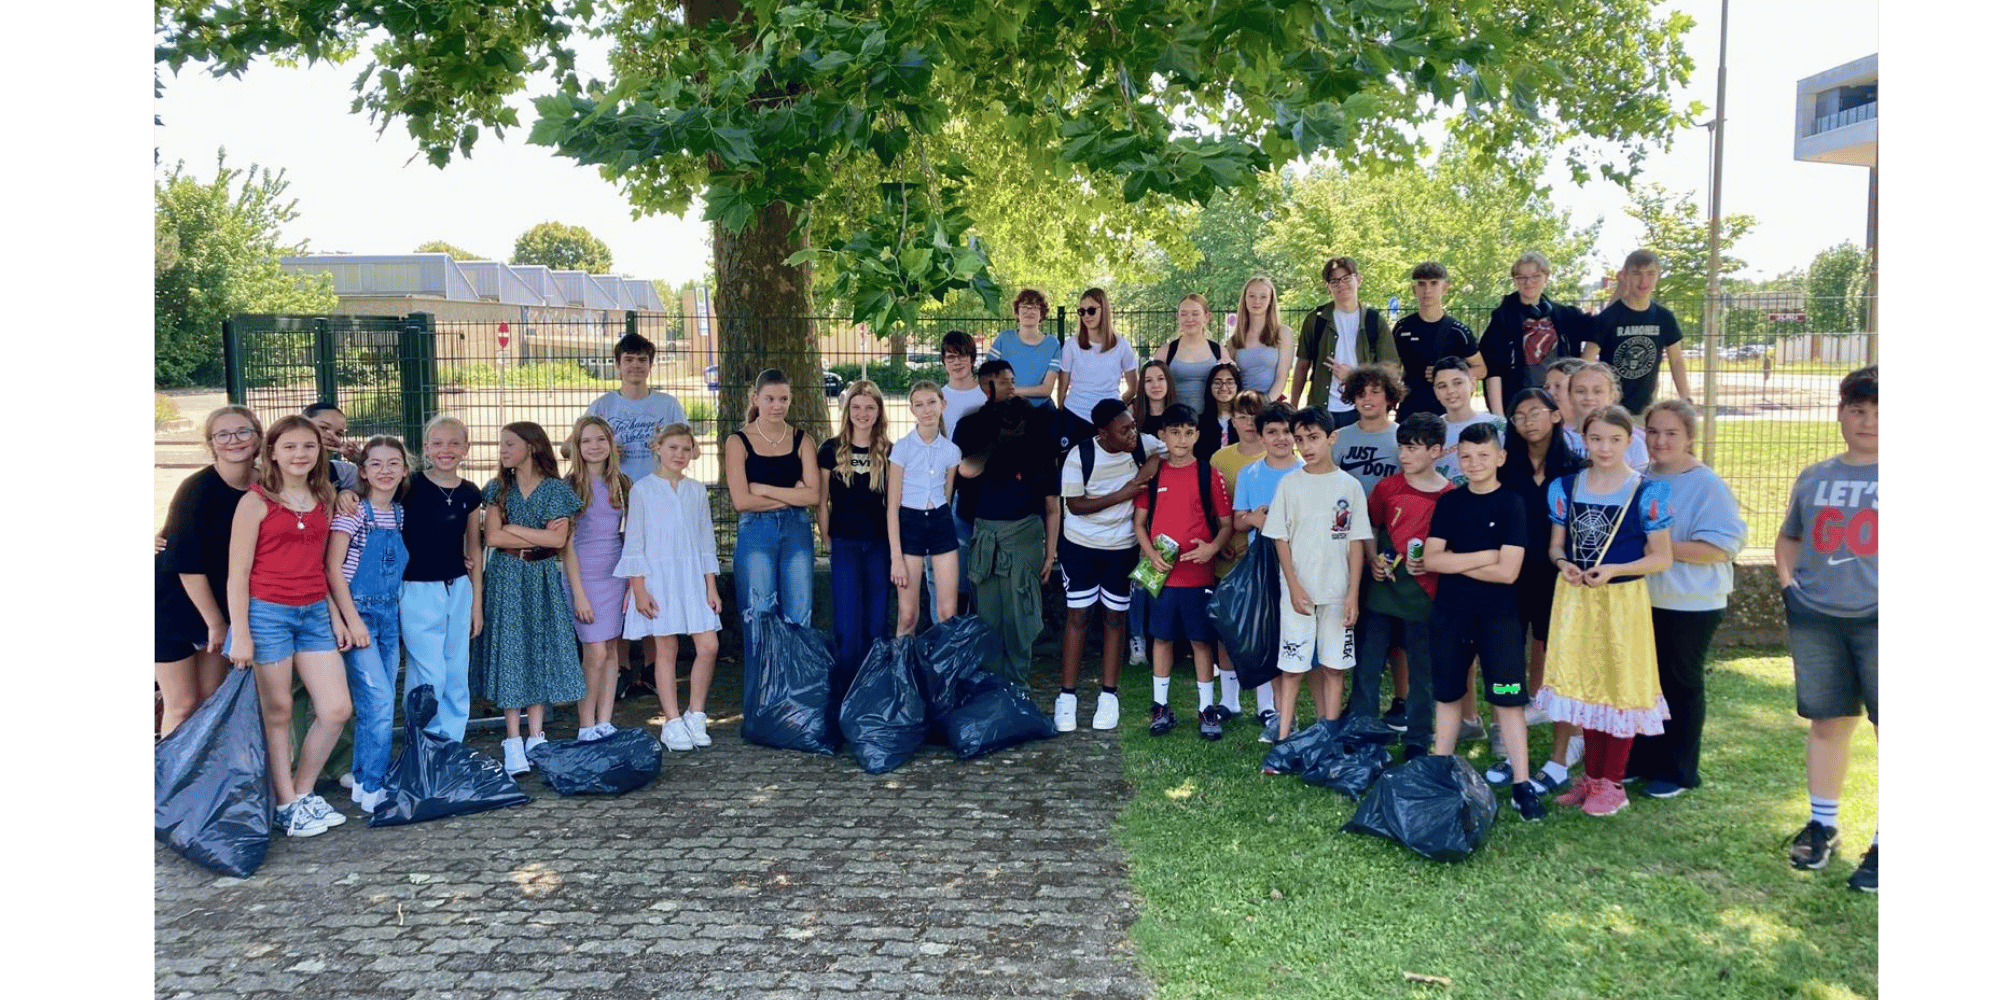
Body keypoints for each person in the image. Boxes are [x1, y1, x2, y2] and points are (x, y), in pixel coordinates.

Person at [1535, 405, 1674, 818]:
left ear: (1628, 441)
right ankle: (1591, 778)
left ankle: (1613, 781)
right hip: (1576, 599)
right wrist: (1564, 565)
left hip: (1622, 601)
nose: (1605, 447)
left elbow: (1661, 557)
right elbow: (1556, 546)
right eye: (1596, 439)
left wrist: (1616, 569)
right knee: (1586, 685)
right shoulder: (1566, 485)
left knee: (1620, 685)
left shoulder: (1647, 491)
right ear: (1584, 438)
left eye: (1615, 439)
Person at [224, 414, 353, 838]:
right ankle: (286, 803)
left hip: (313, 612)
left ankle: (302, 793)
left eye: (309, 447)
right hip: (267, 615)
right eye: (291, 447)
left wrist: (335, 615)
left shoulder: (325, 497)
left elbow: (322, 566)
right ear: (273, 453)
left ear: (319, 452)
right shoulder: (255, 502)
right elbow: (237, 574)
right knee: (277, 712)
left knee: (335, 709)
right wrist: (240, 632)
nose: (300, 454)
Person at [1776, 365, 1878, 891]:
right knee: (1828, 723)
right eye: (1857, 411)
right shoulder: (1815, 476)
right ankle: (1823, 823)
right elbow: (1789, 536)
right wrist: (1791, 585)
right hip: (1819, 616)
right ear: (1840, 413)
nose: (1868, 422)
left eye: (1880, 414)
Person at [1419, 422, 1546, 820]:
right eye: (1467, 456)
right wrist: (1487, 555)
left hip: (1499, 618)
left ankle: (1522, 783)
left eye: (1483, 456)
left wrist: (1460, 563)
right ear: (1458, 459)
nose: (1474, 463)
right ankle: (1440, 773)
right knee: (1448, 695)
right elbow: (1432, 560)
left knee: (1508, 701)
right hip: (1451, 614)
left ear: (1501, 458)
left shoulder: (1512, 503)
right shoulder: (1450, 502)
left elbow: (1509, 573)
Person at [1628, 399, 1747, 799]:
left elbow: (1720, 548)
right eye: (1654, 432)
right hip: (1644, 599)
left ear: (1690, 438)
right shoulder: (1638, 478)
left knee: (1680, 684)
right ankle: (1643, 759)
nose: (1660, 441)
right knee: (1646, 683)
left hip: (1690, 602)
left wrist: (1659, 547)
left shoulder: (1706, 484)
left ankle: (1679, 771)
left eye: (1672, 433)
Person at [478, 421, 587, 776]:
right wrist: (536, 534)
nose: (503, 450)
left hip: (541, 576)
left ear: (532, 447)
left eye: (510, 444)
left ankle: (536, 735)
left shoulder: (556, 490)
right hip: (506, 577)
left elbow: (557, 543)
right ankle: (512, 739)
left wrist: (514, 530)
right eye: (502, 444)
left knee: (538, 649)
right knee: (512, 652)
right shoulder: (497, 488)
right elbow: (493, 537)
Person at [1054, 398, 1161, 732]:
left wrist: (1143, 474)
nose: (1132, 434)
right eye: (1124, 429)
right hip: (1080, 547)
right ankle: (1067, 697)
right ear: (1103, 433)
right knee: (1078, 616)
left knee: (1115, 618)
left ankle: (1108, 696)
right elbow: (1075, 505)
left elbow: (1162, 453)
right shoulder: (1080, 455)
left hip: (1122, 548)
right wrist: (1124, 492)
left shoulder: (1142, 444)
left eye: (1132, 425)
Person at [1264, 406, 1369, 743]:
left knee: (1334, 667)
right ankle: (1283, 736)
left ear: (1331, 438)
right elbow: (1280, 539)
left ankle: (1329, 737)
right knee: (1293, 668)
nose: (1306, 446)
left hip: (1337, 594)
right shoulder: (1289, 484)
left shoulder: (1350, 486)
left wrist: (1352, 594)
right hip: (1299, 594)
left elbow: (1355, 543)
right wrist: (1293, 588)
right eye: (1299, 440)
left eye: (1313, 438)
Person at [617, 423, 724, 752]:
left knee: (708, 646)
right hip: (658, 579)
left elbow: (706, 541)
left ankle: (696, 713)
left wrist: (711, 585)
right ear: (658, 449)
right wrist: (638, 587)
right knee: (666, 649)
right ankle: (673, 721)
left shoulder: (695, 491)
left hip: (692, 578)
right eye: (673, 447)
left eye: (686, 449)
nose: (680, 454)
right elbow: (634, 542)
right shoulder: (643, 490)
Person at [156, 406, 261, 739]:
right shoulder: (196, 488)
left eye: (243, 431)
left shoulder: (267, 485)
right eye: (223, 434)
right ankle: (170, 783)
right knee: (183, 703)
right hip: (173, 603)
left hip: (224, 600)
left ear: (258, 437)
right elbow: (187, 564)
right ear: (211, 443)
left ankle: (203, 780)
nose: (234, 441)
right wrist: (216, 623)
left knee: (212, 697)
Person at [1133, 404, 1233, 739]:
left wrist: (1212, 548)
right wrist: (1150, 554)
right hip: (1161, 574)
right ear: (1162, 435)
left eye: (1189, 432)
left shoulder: (1209, 473)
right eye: (1174, 432)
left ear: (1198, 435)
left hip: (1198, 575)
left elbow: (1226, 523)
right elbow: (1139, 523)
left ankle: (1207, 709)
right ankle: (1160, 706)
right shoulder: (1154, 474)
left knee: (1201, 641)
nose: (1182, 438)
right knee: (1161, 638)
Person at [324, 435, 412, 815]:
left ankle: (362, 781)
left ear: (405, 470)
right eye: (375, 463)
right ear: (362, 470)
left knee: (376, 703)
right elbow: (332, 568)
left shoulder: (401, 514)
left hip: (389, 616)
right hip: (358, 615)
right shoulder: (352, 512)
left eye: (394, 463)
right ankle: (377, 787)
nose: (385, 471)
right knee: (377, 702)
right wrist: (352, 620)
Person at [1357, 413, 1452, 761]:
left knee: (1422, 670)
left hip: (1425, 595)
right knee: (1368, 664)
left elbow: (1452, 546)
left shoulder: (1450, 495)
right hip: (1382, 590)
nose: (1404, 455)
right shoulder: (1386, 488)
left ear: (1436, 451)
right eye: (1402, 447)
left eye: (1413, 448)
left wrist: (1432, 562)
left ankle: (1418, 738)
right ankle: (1364, 730)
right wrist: (1372, 560)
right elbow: (1369, 528)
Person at [957, 385, 1061, 684]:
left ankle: (1017, 682)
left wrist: (1050, 551)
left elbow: (1053, 509)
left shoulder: (1041, 457)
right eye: (1005, 422)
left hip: (1024, 539)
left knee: (1020, 614)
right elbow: (965, 470)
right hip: (986, 539)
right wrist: (995, 443)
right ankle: (992, 682)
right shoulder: (987, 453)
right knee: (989, 615)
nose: (1012, 428)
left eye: (1016, 422)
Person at [1498, 388, 1584, 749]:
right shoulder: (1505, 469)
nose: (1527, 422)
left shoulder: (1575, 470)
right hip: (1511, 577)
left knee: (1560, 654)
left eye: (1535, 413)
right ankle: (1504, 724)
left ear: (1554, 415)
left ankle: (1572, 734)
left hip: (1559, 576)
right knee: (1507, 654)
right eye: (1519, 416)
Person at [725, 369, 821, 665]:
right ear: (756, 398)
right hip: (755, 534)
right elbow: (741, 501)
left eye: (783, 399)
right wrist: (792, 495)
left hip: (797, 533)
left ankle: (796, 700)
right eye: (769, 399)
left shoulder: (803, 440)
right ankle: (763, 700)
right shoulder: (738, 442)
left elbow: (814, 496)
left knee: (799, 615)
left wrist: (764, 490)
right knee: (758, 614)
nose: (777, 405)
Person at [399, 414, 485, 742]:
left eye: (453, 443)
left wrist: (476, 603)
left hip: (458, 587)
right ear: (425, 447)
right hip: (418, 588)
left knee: (455, 669)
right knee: (428, 671)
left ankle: (451, 741)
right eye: (437, 443)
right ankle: (423, 740)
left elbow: (473, 550)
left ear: (466, 448)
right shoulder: (410, 486)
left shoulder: (470, 493)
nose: (445, 450)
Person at [558, 415, 631, 741]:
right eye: (586, 441)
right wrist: (579, 594)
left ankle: (605, 720)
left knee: (612, 650)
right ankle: (586, 725)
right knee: (595, 652)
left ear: (611, 444)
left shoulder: (623, 483)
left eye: (600, 439)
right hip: (582, 576)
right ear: (577, 446)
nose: (594, 446)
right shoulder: (569, 487)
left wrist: (632, 584)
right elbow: (566, 544)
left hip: (614, 575)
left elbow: (630, 538)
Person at [817, 380, 894, 690]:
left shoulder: (889, 451)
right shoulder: (830, 449)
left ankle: (874, 688)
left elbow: (894, 502)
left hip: (879, 544)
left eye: (870, 407)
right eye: (857, 407)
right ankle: (846, 687)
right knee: (847, 623)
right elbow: (821, 501)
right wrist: (826, 537)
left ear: (879, 412)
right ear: (847, 410)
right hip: (845, 542)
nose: (862, 413)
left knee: (876, 622)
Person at [1230, 402, 1300, 735]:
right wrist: (1255, 519)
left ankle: (1297, 708)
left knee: (1298, 639)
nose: (1281, 438)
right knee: (1271, 637)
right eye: (1272, 432)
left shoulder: (1304, 471)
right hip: (1264, 566)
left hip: (1302, 567)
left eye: (1287, 431)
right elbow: (1238, 520)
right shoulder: (1250, 473)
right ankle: (1274, 709)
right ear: (1260, 436)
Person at [889, 381, 963, 635]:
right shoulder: (901, 449)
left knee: (947, 614)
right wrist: (896, 557)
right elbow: (892, 507)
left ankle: (943, 673)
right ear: (911, 410)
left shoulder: (952, 451)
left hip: (941, 524)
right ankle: (901, 672)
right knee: (908, 616)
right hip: (910, 524)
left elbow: (947, 494)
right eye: (919, 405)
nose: (926, 410)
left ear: (943, 404)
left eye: (931, 402)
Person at [1479, 252, 1588, 414]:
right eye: (1521, 277)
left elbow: (1600, 327)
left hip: (1558, 399)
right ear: (1515, 280)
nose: (1528, 282)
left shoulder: (1565, 315)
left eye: (1535, 276)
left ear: (1546, 277)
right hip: (1519, 398)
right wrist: (1498, 415)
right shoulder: (1503, 318)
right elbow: (1493, 367)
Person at [1583, 249, 1691, 412]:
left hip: (1646, 409)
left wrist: (1686, 399)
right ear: (1625, 275)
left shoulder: (1664, 317)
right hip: (1610, 410)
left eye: (1650, 274)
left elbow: (1676, 360)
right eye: (1636, 274)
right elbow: (1586, 362)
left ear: (1658, 276)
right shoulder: (1608, 317)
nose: (1643, 281)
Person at [1292, 256, 1388, 419]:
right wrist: (1294, 405)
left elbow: (1389, 369)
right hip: (1322, 411)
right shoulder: (1316, 319)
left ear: (1358, 280)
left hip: (1361, 410)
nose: (1341, 284)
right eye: (1334, 281)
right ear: (1328, 287)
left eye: (1346, 278)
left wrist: (1355, 376)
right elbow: (1302, 365)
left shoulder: (1374, 320)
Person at [586, 331, 687, 482]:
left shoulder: (669, 405)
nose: (636, 365)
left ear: (650, 365)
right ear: (617, 364)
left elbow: (695, 451)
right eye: (629, 359)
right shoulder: (601, 406)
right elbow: (567, 449)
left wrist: (668, 446)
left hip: (659, 489)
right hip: (615, 490)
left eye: (642, 360)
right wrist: (603, 450)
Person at [1387, 261, 1483, 417]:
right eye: (1421, 284)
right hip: (1410, 409)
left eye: (1434, 283)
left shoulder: (1458, 331)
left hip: (1448, 411)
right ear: (1414, 290)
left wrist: (1449, 374)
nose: (1427, 290)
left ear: (1444, 288)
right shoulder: (1402, 328)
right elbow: (1391, 368)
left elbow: (1481, 368)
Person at [1058, 287, 1140, 449]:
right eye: (1082, 311)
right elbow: (1063, 385)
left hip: (1108, 422)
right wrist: (1061, 412)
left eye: (1091, 310)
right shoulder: (1071, 345)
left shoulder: (1122, 345)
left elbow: (1133, 387)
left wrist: (1115, 406)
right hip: (1075, 416)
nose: (1086, 316)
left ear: (1105, 310)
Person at [1562, 361, 1650, 470]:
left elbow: (1642, 482)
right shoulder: (1561, 440)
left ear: (1612, 396)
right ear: (1570, 396)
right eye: (1580, 391)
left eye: (1597, 391)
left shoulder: (1632, 441)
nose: (1589, 397)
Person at [1331, 364, 1404, 496]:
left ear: (1389, 397)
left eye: (1375, 392)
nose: (1367, 398)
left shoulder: (1403, 437)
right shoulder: (1338, 437)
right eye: (1360, 393)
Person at [1431, 356, 1507, 482]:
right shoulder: (1431, 431)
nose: (1450, 391)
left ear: (1472, 384)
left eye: (1458, 383)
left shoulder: (1498, 426)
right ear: (1436, 392)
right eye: (1442, 386)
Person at [989, 289, 1062, 410]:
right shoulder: (1003, 339)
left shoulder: (1052, 344)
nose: (1029, 311)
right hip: (1008, 408)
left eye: (1034, 307)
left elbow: (1046, 389)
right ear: (1017, 312)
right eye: (1024, 307)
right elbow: (988, 375)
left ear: (1041, 314)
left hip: (1041, 410)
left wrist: (1008, 390)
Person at [1153, 293, 1229, 406]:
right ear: (1177, 317)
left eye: (1195, 314)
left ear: (1207, 316)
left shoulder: (1220, 352)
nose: (1189, 319)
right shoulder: (1165, 352)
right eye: (1183, 314)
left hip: (1210, 420)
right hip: (1176, 420)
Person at [1229, 276, 1296, 400]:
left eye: (1263, 296)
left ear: (1271, 300)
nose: (1257, 301)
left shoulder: (1284, 333)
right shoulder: (1235, 340)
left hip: (1272, 404)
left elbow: (1282, 377)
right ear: (1244, 299)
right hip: (1243, 406)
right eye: (1251, 296)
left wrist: (1265, 404)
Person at [938, 330, 989, 437]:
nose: (957, 362)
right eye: (951, 357)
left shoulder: (987, 395)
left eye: (962, 356)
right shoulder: (937, 399)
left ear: (972, 359)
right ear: (944, 361)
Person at [304, 401, 361, 492]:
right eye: (324, 428)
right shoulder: (278, 469)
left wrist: (361, 460)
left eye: (338, 433)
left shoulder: (342, 472)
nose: (331, 436)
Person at [1193, 362, 1245, 460]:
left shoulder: (1247, 423)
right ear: (1210, 386)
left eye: (1229, 382)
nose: (1224, 387)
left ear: (1238, 386)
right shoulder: (1199, 423)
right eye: (1217, 382)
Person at [1127, 359, 1177, 439]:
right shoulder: (1132, 411)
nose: (1155, 385)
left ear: (1168, 381)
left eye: (1160, 379)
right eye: (1149, 380)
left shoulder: (1180, 413)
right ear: (1142, 385)